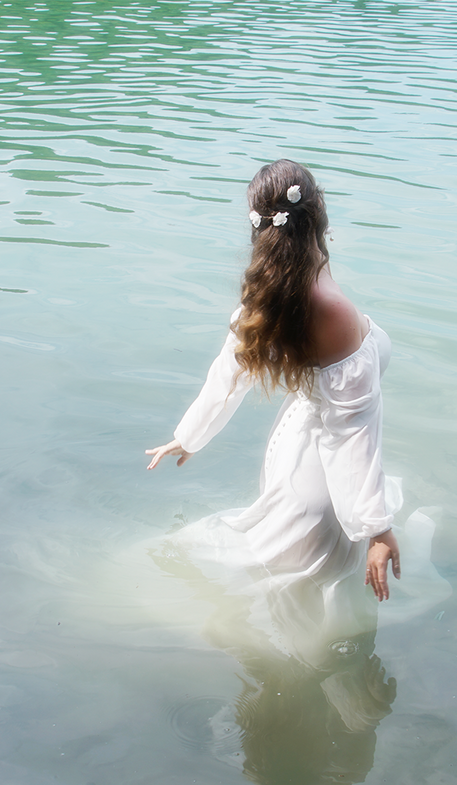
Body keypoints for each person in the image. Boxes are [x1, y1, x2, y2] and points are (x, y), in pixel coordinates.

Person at [145, 159, 401, 603]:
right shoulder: (331, 308)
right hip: (323, 472)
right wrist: (376, 528)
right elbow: (350, 432)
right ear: (319, 214)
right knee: (307, 591)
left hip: (295, 449)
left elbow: (230, 372)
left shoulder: (272, 292)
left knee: (283, 576)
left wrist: (189, 435)